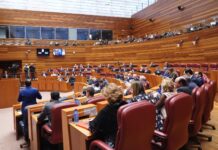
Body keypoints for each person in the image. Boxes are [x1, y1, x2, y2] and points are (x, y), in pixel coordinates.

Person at [89, 83, 126, 148]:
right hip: (126, 144)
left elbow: (93, 127)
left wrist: (90, 122)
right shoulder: (126, 106)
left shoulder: (105, 111)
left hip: (111, 144)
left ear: (107, 97)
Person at [18, 79, 42, 147]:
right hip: (34, 108)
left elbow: (19, 100)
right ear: (31, 83)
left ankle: (27, 140)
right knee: (34, 121)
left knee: (26, 124)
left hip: (25, 109)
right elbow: (40, 97)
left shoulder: (22, 91)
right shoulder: (35, 90)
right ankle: (36, 136)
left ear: (25, 84)